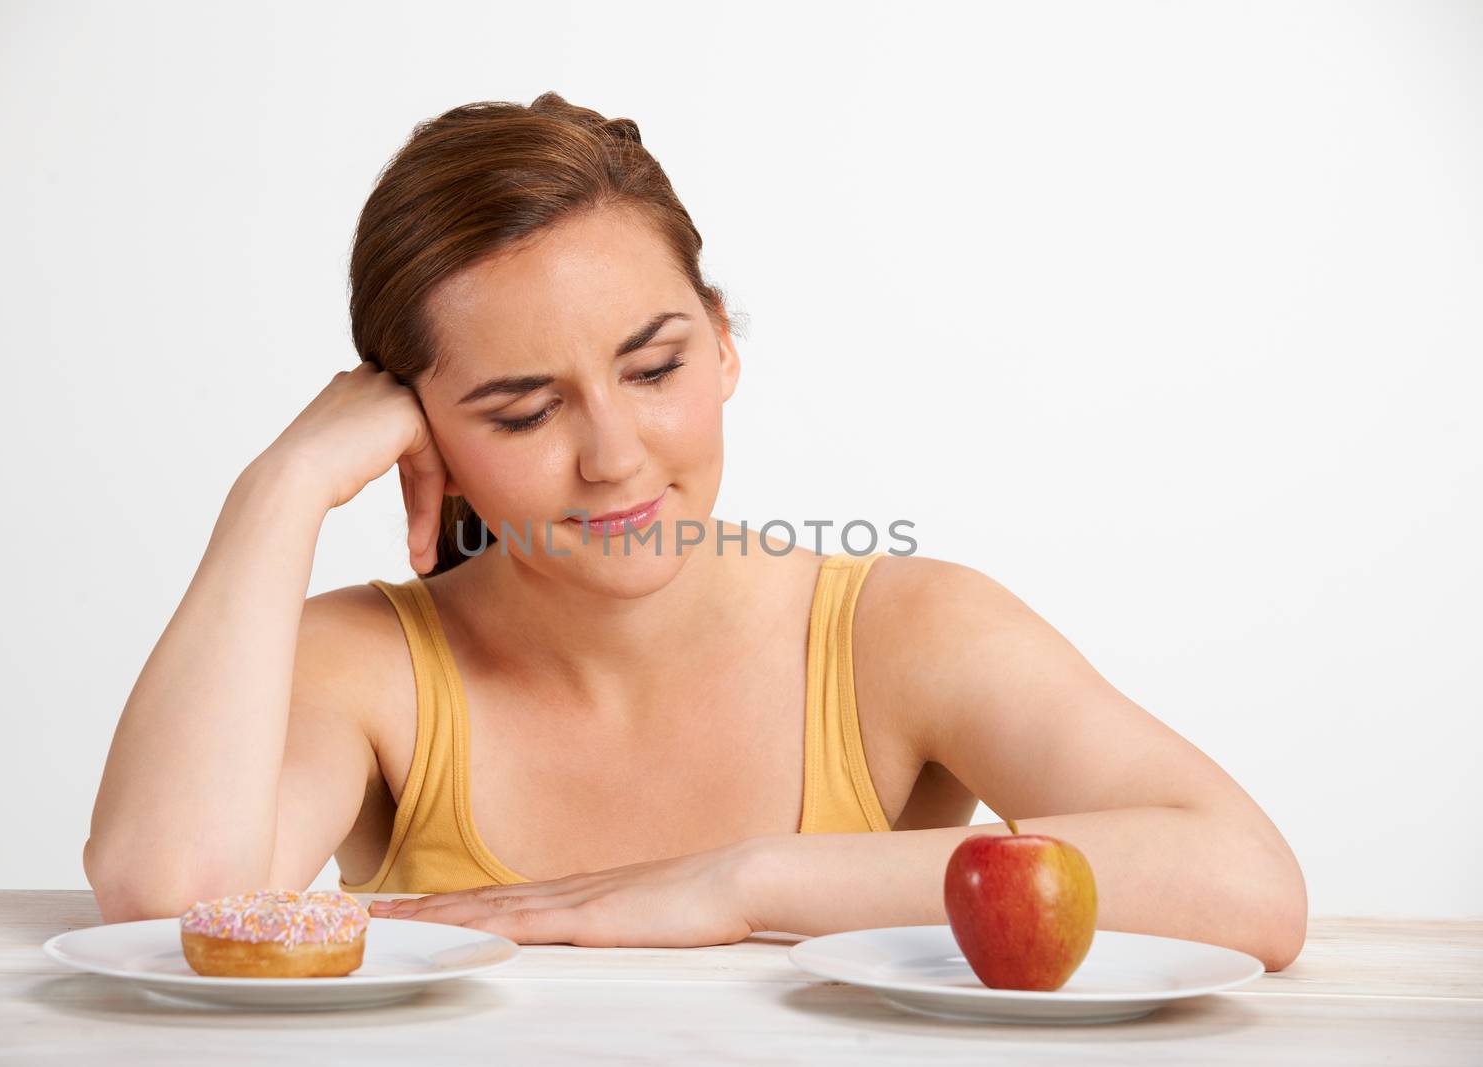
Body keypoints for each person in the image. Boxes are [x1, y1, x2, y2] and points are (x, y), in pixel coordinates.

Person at [83, 92, 1307, 970]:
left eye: (654, 366)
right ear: (424, 440)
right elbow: (162, 903)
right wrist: (280, 488)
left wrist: (743, 881)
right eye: (521, 408)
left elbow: (1245, 886)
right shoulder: (365, 667)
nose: (614, 455)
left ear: (723, 343)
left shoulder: (904, 628)